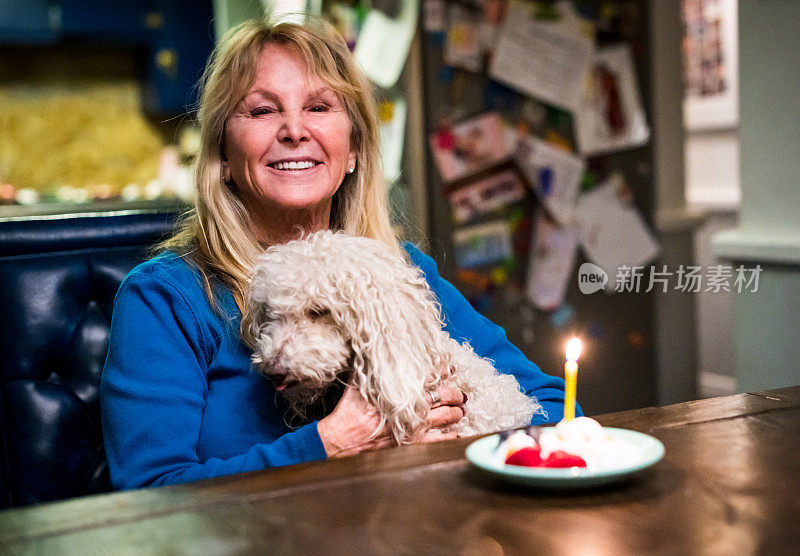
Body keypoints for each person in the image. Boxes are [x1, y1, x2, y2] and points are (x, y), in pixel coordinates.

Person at [101, 18, 577, 491]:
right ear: (223, 155)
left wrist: (461, 431)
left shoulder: (398, 273)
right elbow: (150, 494)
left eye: (319, 107)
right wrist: (332, 444)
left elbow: (558, 405)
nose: (294, 130)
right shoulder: (163, 299)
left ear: (352, 150)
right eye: (263, 111)